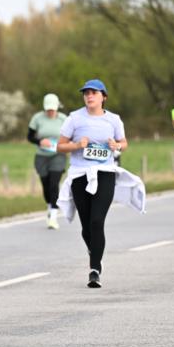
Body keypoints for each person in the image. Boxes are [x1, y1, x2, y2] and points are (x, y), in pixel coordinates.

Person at [56, 79, 143, 289]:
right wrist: (77, 145)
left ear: (103, 97)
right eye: (86, 93)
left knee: (97, 221)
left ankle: (94, 269)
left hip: (105, 173)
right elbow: (59, 146)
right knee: (86, 227)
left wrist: (117, 145)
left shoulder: (113, 120)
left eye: (94, 92)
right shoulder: (74, 119)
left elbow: (124, 143)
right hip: (80, 174)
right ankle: (95, 251)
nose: (89, 96)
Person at [27, 94, 68, 229]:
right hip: (41, 156)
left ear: (57, 108)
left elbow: (71, 136)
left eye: (53, 109)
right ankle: (50, 207)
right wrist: (40, 141)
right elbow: (29, 137)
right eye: (48, 109)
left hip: (58, 155)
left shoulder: (64, 119)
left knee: (54, 184)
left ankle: (54, 217)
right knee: (46, 186)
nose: (50, 112)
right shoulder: (37, 118)